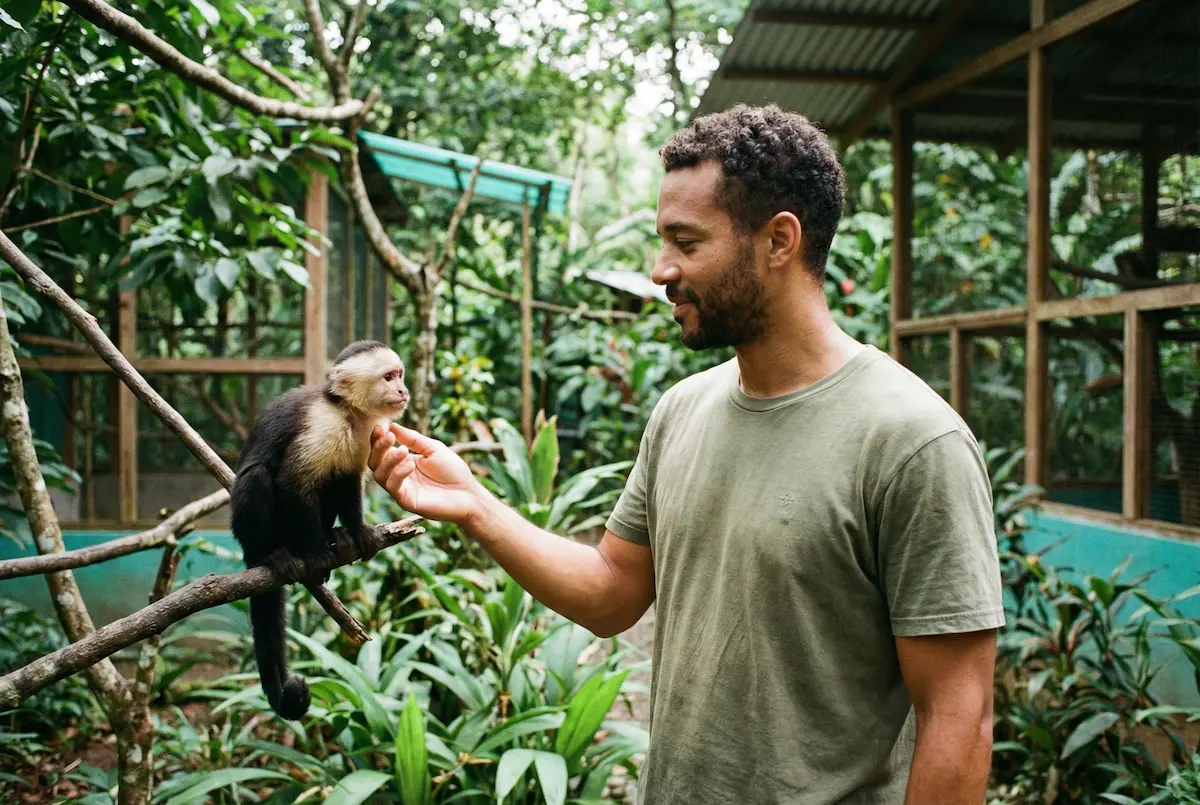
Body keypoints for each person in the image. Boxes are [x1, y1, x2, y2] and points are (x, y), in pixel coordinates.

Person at [368, 104, 1004, 805]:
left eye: (685, 242)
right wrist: (476, 505)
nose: (661, 268)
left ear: (779, 240)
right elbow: (613, 588)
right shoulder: (683, 411)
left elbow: (959, 715)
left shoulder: (912, 440)